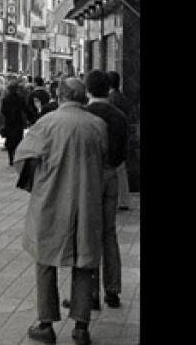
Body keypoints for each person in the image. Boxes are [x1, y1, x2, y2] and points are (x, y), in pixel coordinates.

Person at [14, 76, 108, 345]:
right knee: (84, 261)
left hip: (52, 200)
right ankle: (81, 326)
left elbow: (23, 157)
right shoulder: (97, 125)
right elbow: (105, 159)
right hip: (87, 201)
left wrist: (36, 183)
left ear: (61, 95)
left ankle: (46, 323)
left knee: (44, 259)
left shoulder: (48, 123)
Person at [84, 71, 129, 309]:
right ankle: (112, 290)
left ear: (88, 90)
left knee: (88, 233)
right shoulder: (119, 116)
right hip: (112, 174)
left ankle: (89, 293)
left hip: (89, 176)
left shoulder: (85, 115)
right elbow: (124, 152)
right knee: (109, 234)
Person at [106, 71, 134, 211]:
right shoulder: (122, 97)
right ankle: (123, 200)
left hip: (114, 137)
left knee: (115, 171)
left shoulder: (111, 100)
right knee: (121, 170)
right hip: (123, 136)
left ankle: (120, 200)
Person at [1, 80, 35, 165]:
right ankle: (16, 156)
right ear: (16, 89)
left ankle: (10, 158)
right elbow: (25, 109)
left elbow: (3, 111)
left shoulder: (5, 99)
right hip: (18, 121)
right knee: (18, 139)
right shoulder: (20, 98)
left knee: (9, 140)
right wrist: (30, 118)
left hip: (9, 122)